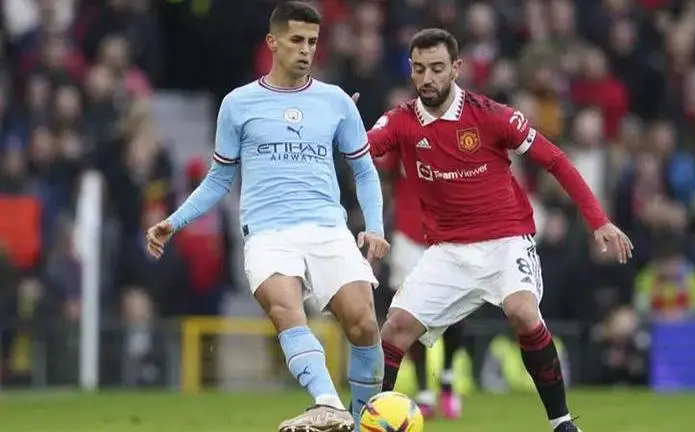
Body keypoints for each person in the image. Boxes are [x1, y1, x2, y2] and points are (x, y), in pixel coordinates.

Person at [364, 29, 633, 432]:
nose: (427, 79)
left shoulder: (492, 115)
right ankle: (372, 420)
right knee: (395, 329)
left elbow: (555, 160)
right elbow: (362, 148)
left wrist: (598, 220)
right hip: (448, 250)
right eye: (419, 69)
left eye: (437, 68)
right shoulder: (402, 121)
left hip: (506, 242)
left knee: (523, 312)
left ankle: (561, 423)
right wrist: (339, 125)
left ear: (456, 68)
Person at [145, 3, 388, 432]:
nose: (306, 50)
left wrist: (374, 226)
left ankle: (359, 421)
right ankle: (327, 401)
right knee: (284, 308)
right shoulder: (238, 104)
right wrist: (175, 221)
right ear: (272, 43)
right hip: (268, 232)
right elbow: (220, 180)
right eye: (296, 40)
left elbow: (364, 170)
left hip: (328, 228)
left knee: (364, 323)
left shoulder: (335, 102)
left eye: (312, 41)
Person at [376, 147, 463, 420]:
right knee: (409, 313)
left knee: (456, 310)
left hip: (447, 234)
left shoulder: (449, 136)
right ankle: (425, 390)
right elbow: (376, 162)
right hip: (408, 236)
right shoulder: (401, 134)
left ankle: (447, 377)